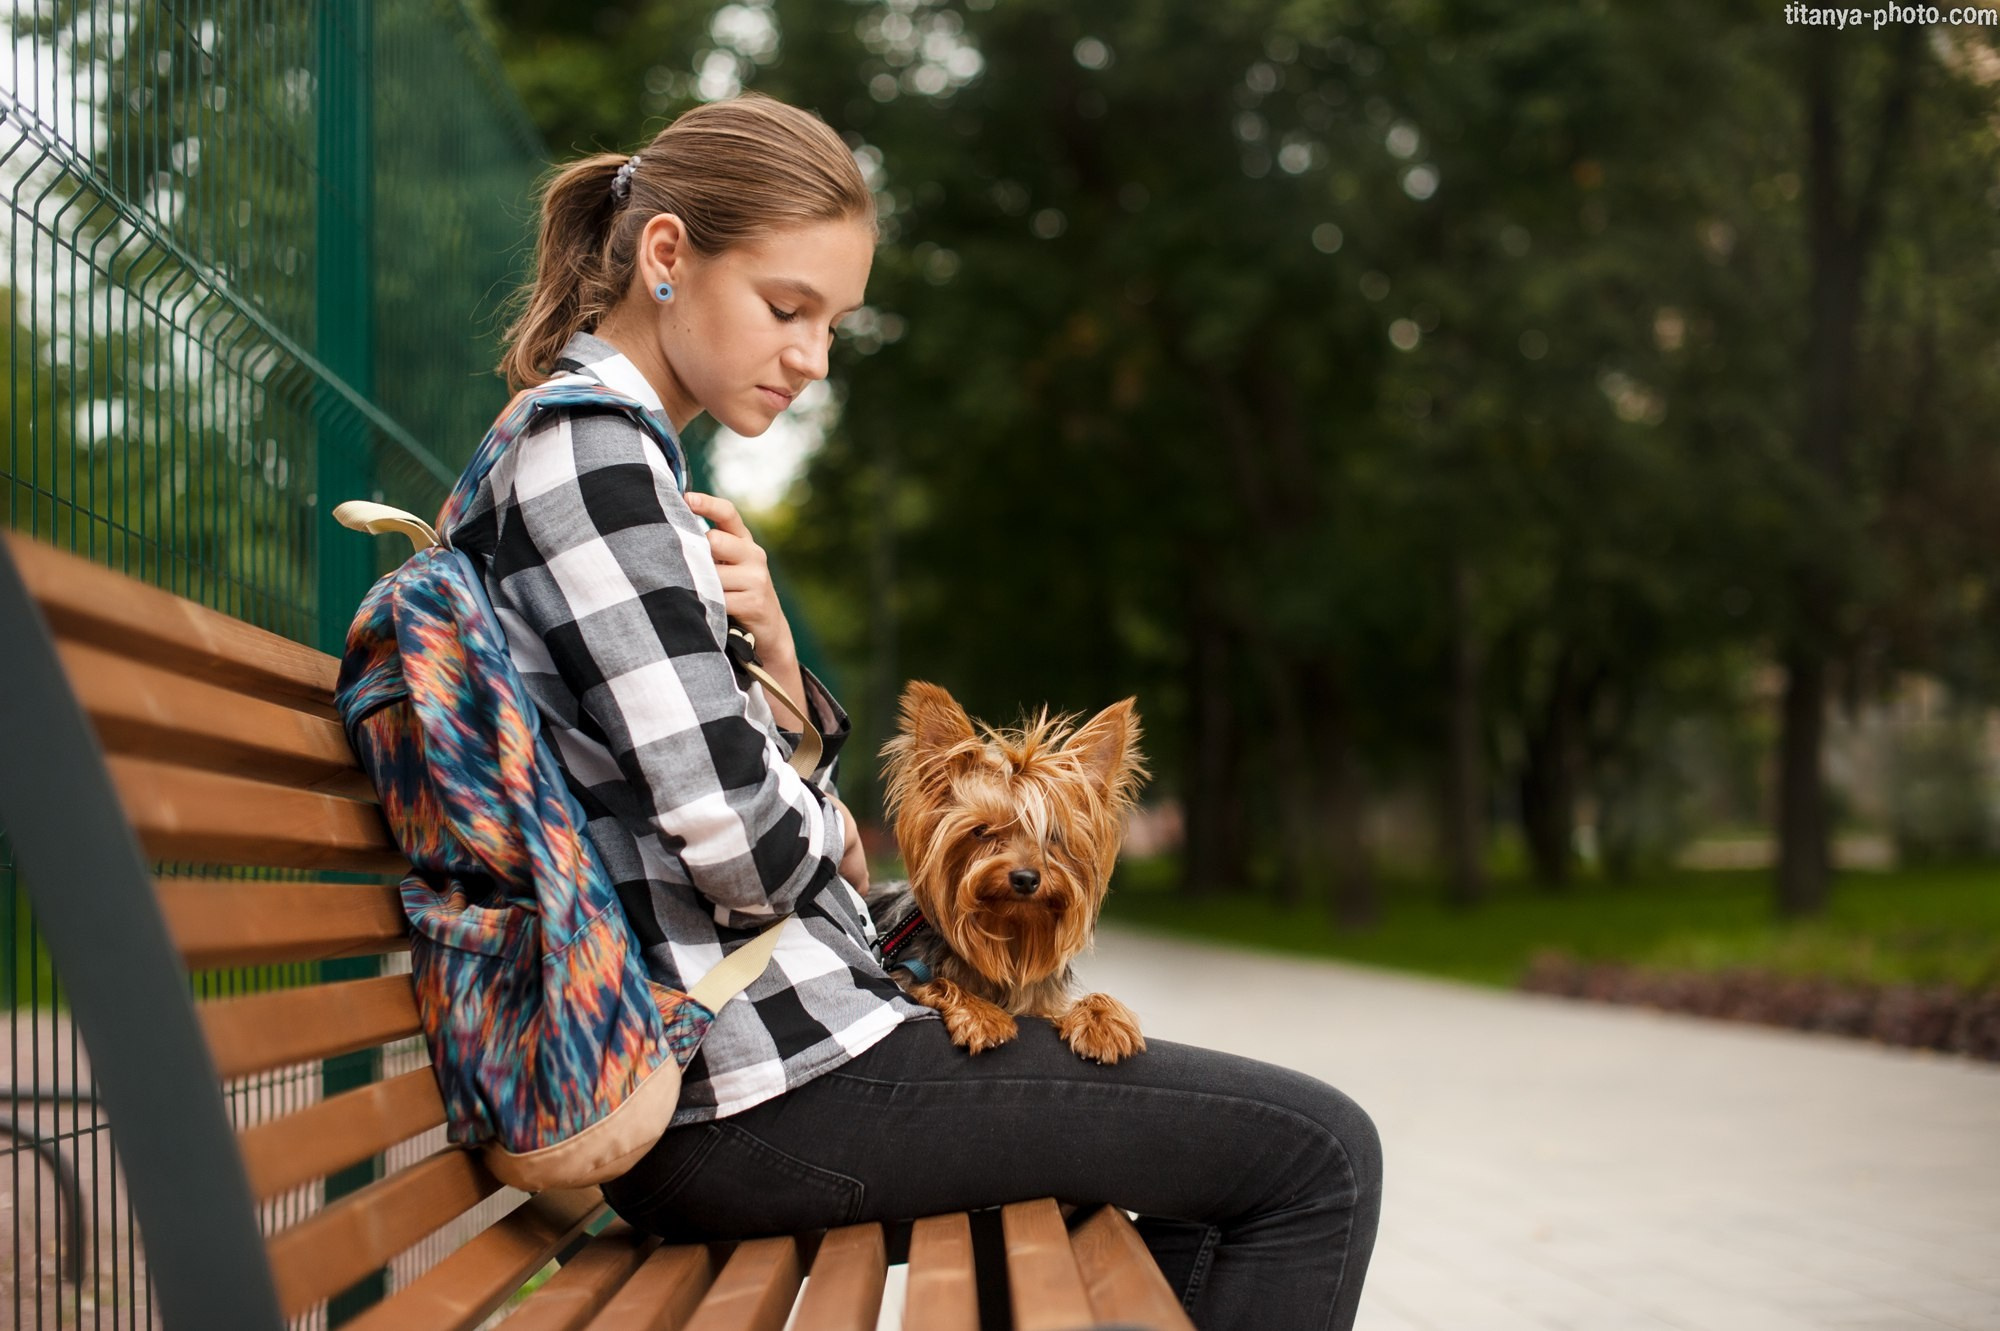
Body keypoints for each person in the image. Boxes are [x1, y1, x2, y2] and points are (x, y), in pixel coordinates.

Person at [456, 90, 1382, 1329]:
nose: (811, 357)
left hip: (765, 1057)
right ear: (666, 255)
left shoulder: (617, 468)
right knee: (1312, 1155)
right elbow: (755, 852)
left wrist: (777, 654)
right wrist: (815, 814)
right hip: (749, 1087)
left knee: (1226, 1170)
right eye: (787, 309)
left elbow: (762, 818)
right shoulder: (597, 460)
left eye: (832, 323)